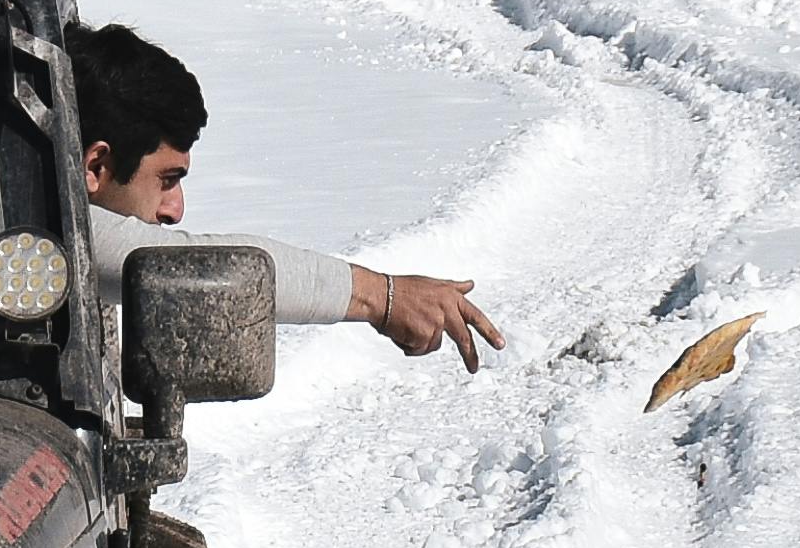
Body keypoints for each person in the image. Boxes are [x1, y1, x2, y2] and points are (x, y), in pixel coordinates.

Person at [68, 24, 502, 368]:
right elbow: (188, 263)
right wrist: (383, 298)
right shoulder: (47, 230)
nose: (175, 210)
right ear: (95, 167)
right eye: (166, 179)